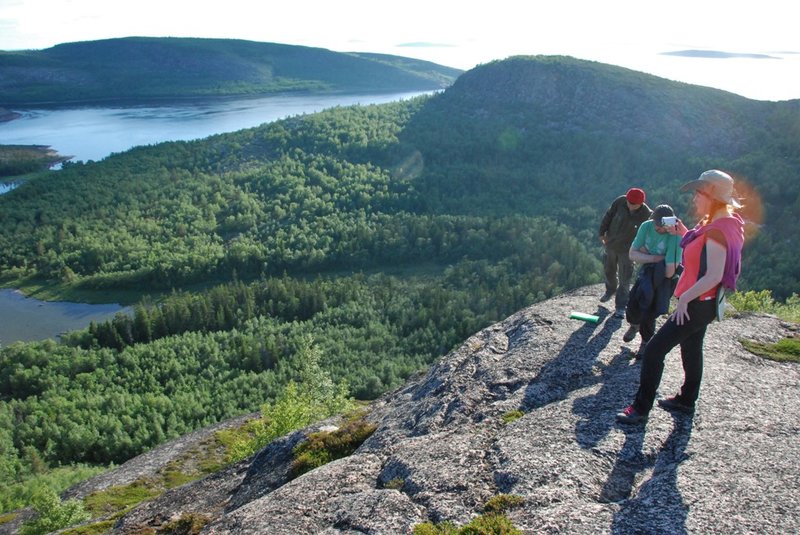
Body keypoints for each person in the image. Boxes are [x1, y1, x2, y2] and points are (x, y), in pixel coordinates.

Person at [616, 170, 745, 424]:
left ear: (713, 197)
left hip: (697, 303)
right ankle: (687, 400)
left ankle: (640, 409)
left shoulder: (717, 230)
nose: (695, 198)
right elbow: (699, 247)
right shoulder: (719, 222)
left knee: (654, 351)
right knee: (692, 348)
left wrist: (685, 298)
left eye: (699, 193)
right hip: (703, 304)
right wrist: (683, 232)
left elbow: (714, 275)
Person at [622, 204, 683, 357]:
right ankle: (634, 325)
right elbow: (632, 254)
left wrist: (646, 255)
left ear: (670, 224)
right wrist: (658, 258)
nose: (657, 227)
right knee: (634, 302)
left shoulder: (675, 237)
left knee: (650, 311)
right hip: (647, 272)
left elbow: (669, 273)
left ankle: (645, 342)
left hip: (663, 280)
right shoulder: (646, 226)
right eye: (656, 223)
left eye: (661, 225)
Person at [598, 188, 652, 316]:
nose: (630, 205)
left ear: (641, 203)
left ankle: (621, 306)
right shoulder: (620, 202)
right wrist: (602, 232)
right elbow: (608, 215)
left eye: (634, 204)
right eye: (629, 202)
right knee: (608, 270)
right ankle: (610, 290)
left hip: (628, 251)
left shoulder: (647, 215)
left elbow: (649, 235)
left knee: (625, 278)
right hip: (611, 243)